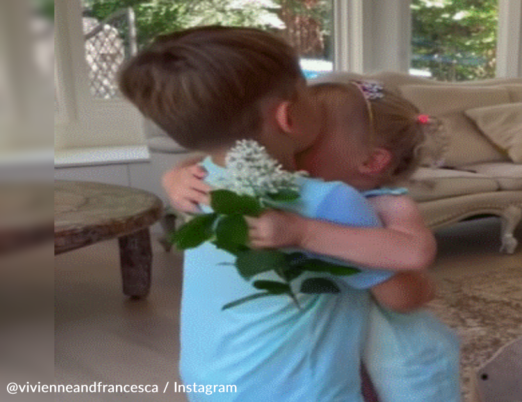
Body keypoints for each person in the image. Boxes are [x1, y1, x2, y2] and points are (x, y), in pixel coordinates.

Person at [119, 26, 434, 402]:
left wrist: (172, 174)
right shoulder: (330, 202)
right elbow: (403, 296)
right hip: (299, 389)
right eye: (307, 88)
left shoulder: (199, 182)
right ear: (289, 117)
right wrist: (426, 288)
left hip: (210, 377)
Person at [165, 81, 462, 402]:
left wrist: (303, 232)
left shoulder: (389, 205)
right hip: (331, 339)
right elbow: (224, 157)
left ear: (371, 161)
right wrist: (175, 175)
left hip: (381, 341)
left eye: (308, 140)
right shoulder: (294, 190)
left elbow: (414, 258)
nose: (284, 146)